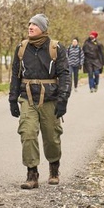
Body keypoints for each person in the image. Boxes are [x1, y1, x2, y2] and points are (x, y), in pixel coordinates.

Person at [9, 14, 71, 189]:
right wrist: (12, 99)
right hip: (27, 97)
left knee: (51, 137)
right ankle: (32, 173)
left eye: (34, 24)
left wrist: (63, 99)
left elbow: (65, 74)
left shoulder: (56, 48)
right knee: (27, 133)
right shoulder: (21, 48)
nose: (30, 26)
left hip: (50, 99)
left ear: (43, 28)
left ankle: (54, 167)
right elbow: (15, 75)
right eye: (29, 24)